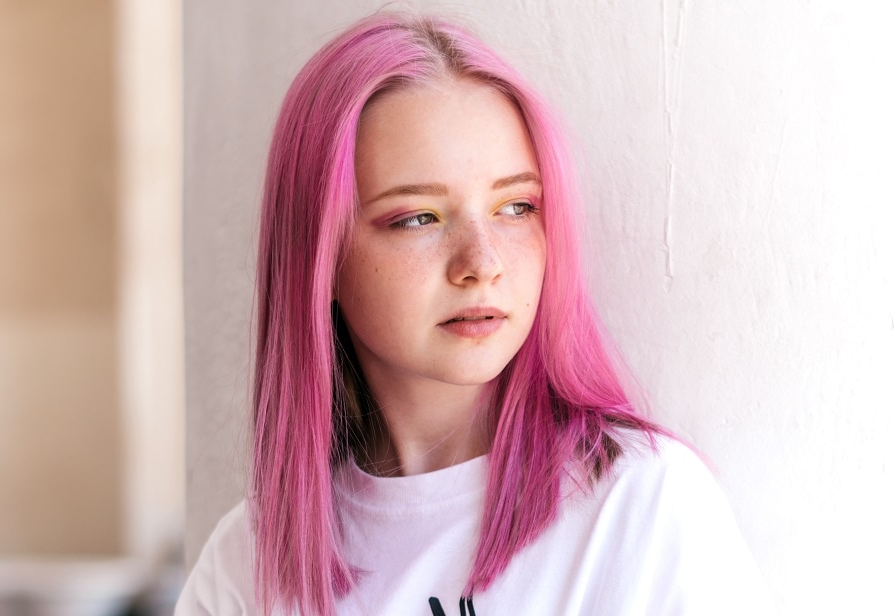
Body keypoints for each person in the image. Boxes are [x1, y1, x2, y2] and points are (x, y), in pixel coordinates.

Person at [177, 11, 770, 616]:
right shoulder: (246, 566)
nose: (482, 263)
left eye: (516, 207)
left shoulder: (639, 506)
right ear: (320, 256)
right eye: (417, 218)